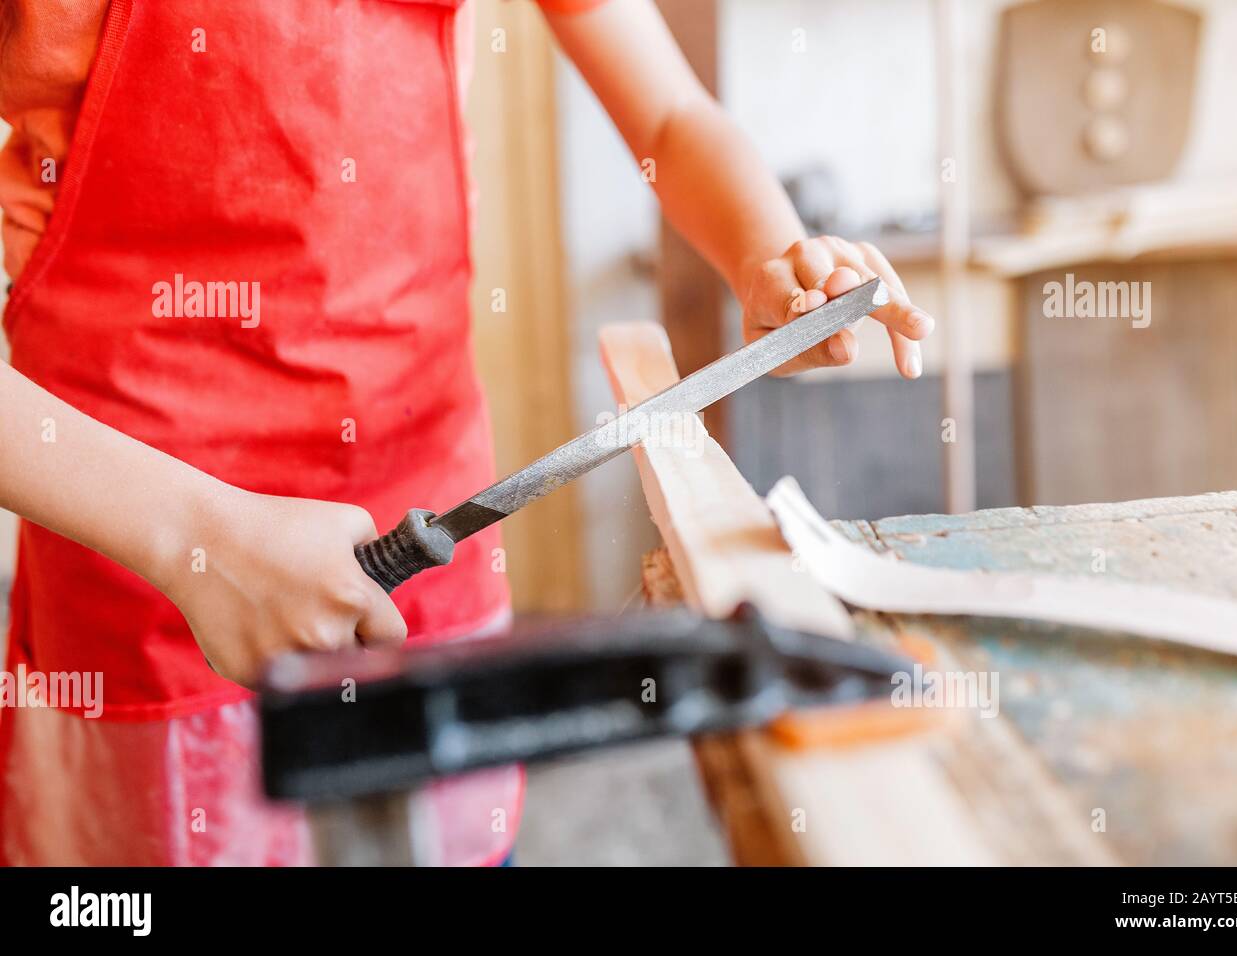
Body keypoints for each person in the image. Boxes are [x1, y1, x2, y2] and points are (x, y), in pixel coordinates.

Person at [0, 0, 934, 865]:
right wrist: (195, 540)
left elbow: (669, 118)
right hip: (143, 574)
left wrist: (770, 253)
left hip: (426, 548)